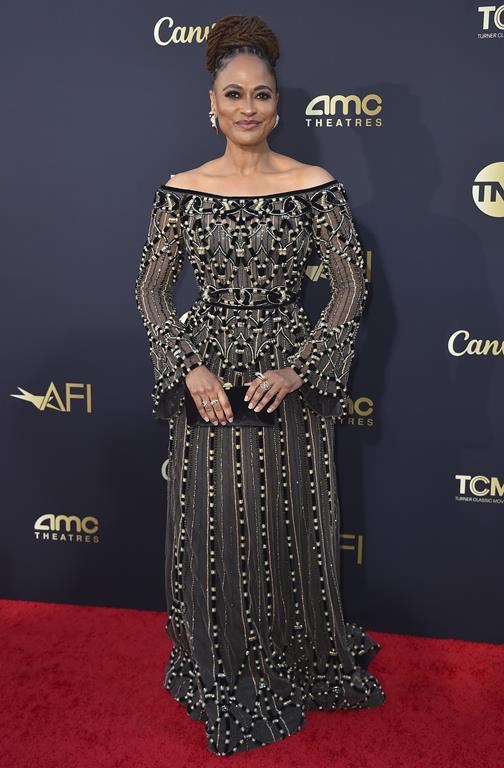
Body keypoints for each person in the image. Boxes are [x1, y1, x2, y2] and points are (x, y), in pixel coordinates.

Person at [135, 13, 385, 756]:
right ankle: (222, 656)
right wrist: (187, 365)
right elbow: (150, 291)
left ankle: (298, 644)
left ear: (280, 105)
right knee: (213, 526)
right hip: (206, 376)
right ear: (210, 102)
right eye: (233, 93)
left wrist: (301, 367)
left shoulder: (315, 186)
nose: (248, 107)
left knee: (290, 519)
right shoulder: (180, 189)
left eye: (263, 94)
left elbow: (347, 289)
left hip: (289, 376)